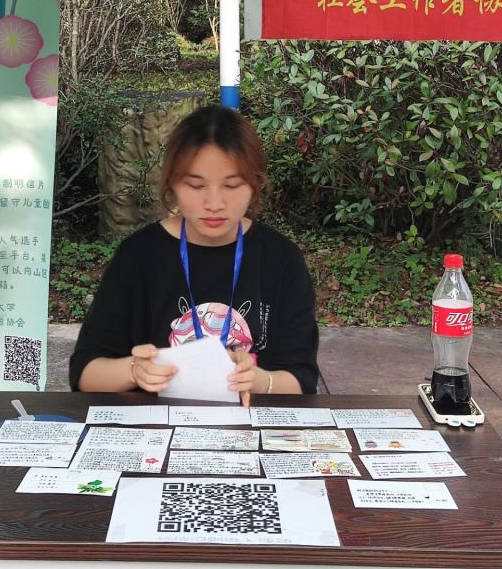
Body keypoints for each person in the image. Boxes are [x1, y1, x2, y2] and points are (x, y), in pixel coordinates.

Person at [69, 104, 319, 405]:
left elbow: (302, 379)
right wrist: (134, 371)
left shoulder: (280, 259)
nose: (214, 203)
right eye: (196, 185)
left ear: (254, 184)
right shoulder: (138, 257)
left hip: (249, 430)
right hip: (156, 429)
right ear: (172, 183)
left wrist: (261, 381)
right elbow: (85, 372)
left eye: (232, 185)